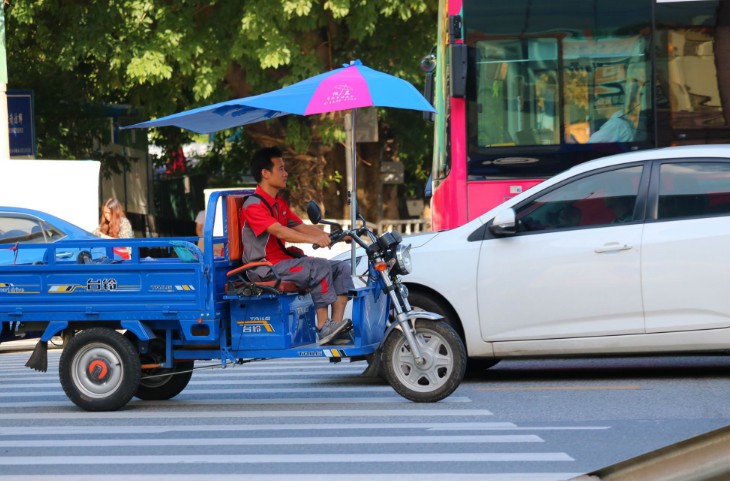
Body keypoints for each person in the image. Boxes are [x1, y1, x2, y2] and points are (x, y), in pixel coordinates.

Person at [241, 147, 354, 345]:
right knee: (318, 266)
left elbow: (301, 227)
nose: (286, 174)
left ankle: (336, 328)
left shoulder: (278, 203)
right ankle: (323, 326)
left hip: (282, 264)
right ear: (265, 173)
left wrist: (334, 236)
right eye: (281, 169)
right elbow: (280, 231)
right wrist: (314, 241)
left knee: (340, 267)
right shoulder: (253, 205)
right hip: (263, 268)